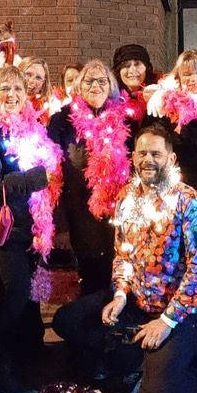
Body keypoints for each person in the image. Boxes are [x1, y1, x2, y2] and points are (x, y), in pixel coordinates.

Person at [52, 124, 197, 393]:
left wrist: (166, 321)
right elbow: (122, 253)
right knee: (68, 320)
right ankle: (136, 361)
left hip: (179, 310)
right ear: (133, 157)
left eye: (156, 154)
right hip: (136, 301)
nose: (148, 160)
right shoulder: (126, 198)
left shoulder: (191, 202)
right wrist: (119, 294)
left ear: (171, 159)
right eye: (142, 153)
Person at [0, 65, 64, 393]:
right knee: (12, 296)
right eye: (4, 90)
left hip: (32, 227)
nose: (12, 96)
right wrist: (37, 178)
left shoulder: (33, 127)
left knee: (26, 299)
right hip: (3, 230)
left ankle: (21, 356)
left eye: (18, 90)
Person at [48, 59, 133, 294]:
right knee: (88, 285)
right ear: (78, 86)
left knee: (116, 279)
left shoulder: (123, 120)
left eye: (102, 80)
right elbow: (53, 177)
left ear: (111, 86)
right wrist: (60, 225)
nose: (95, 85)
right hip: (79, 218)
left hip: (115, 218)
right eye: (89, 80)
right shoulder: (62, 121)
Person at [144, 50, 197, 252]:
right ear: (178, 78)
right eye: (187, 74)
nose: (194, 79)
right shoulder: (166, 108)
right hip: (177, 198)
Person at [113, 44, 158, 118]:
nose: (132, 71)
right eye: (126, 66)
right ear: (118, 71)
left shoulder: (161, 95)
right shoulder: (108, 100)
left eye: (137, 65)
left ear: (147, 69)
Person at [21, 57, 52, 124]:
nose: (32, 81)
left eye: (38, 78)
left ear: (43, 84)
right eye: (28, 74)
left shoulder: (49, 110)